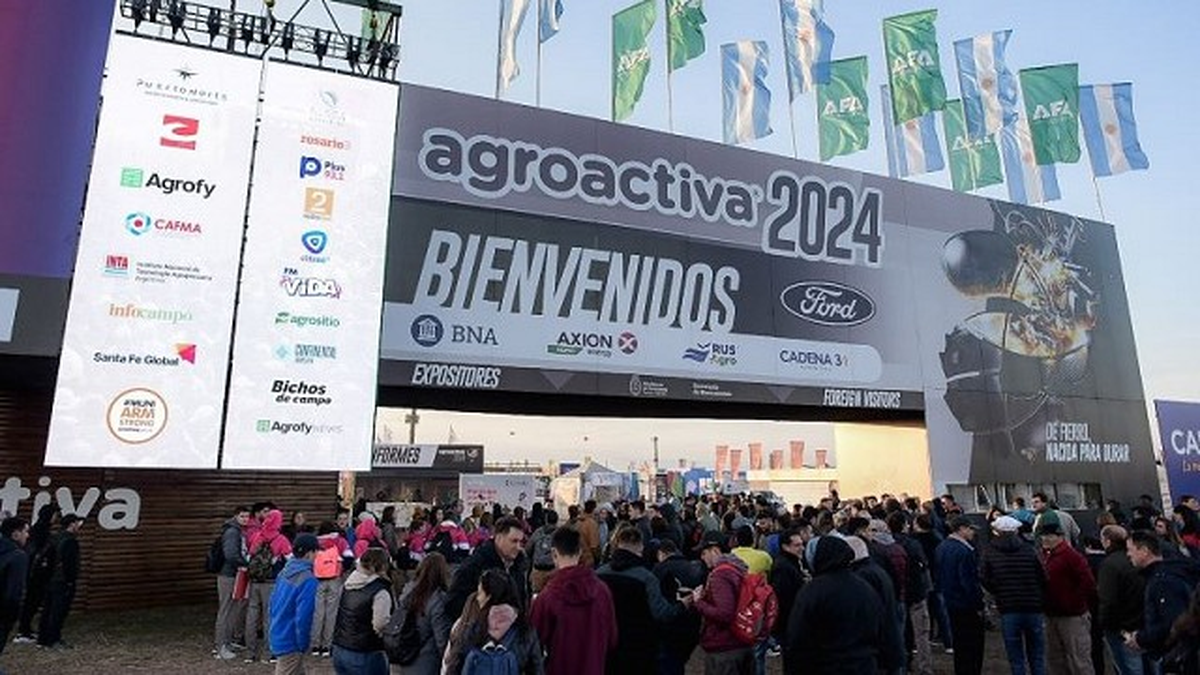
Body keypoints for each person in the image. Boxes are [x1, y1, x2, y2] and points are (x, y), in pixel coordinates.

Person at [783, 535, 884, 674]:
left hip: (827, 665)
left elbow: (798, 637)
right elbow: (879, 626)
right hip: (863, 665)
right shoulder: (865, 587)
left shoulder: (812, 591)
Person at [598, 525, 688, 675]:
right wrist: (682, 605)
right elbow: (661, 613)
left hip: (607, 646)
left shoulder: (599, 574)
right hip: (640, 648)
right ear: (640, 549)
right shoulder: (647, 578)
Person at [530, 526, 618, 675]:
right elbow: (612, 639)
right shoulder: (602, 591)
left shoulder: (548, 596)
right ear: (580, 552)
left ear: (554, 553)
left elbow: (532, 644)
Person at [441, 569, 543, 675]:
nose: (478, 598)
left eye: (480, 593)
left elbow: (453, 668)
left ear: (488, 597)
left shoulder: (471, 630)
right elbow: (536, 670)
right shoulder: (525, 632)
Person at [981, 516, 1047, 675]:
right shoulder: (1028, 549)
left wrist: (998, 591)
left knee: (1016, 657)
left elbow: (984, 577)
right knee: (1037, 656)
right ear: (1016, 530)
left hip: (1008, 607)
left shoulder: (989, 551)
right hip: (1033, 606)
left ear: (996, 531)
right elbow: (1042, 577)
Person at [1125, 530, 1200, 667]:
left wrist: (1141, 638)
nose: (1128, 554)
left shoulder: (1162, 582)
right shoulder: (1167, 573)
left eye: (1130, 549)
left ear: (1144, 551)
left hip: (1178, 656)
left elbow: (1173, 622)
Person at [1038, 522, 1097, 675]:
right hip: (1052, 614)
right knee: (1055, 658)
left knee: (1079, 659)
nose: (1045, 539)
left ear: (1060, 537)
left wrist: (1074, 602)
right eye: (1043, 536)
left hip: (1073, 616)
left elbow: (1088, 583)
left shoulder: (1072, 556)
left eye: (1049, 536)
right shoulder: (1044, 555)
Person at [444, 516, 530, 622]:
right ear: (499, 538)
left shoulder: (518, 564)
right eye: (514, 541)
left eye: (520, 542)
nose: (518, 547)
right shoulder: (476, 564)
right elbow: (453, 602)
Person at [693, 530, 754, 675]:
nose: (702, 557)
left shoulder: (720, 574)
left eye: (704, 553)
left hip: (724, 647)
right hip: (741, 642)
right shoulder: (737, 568)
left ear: (714, 550)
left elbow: (724, 614)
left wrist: (699, 602)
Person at [331, 548, 393, 675]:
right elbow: (380, 624)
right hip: (366, 651)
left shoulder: (348, 584)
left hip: (340, 647)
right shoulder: (380, 590)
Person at [936, 516, 986, 675]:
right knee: (973, 648)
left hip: (950, 602)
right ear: (961, 529)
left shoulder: (942, 547)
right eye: (970, 529)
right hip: (966, 605)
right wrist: (979, 605)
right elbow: (969, 582)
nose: (973, 532)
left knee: (960, 646)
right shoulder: (964, 551)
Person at [1096, 526, 1146, 675]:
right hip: (1142, 623)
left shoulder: (1110, 565)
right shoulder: (1136, 560)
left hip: (1121, 628)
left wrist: (1104, 623)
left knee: (1129, 667)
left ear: (1107, 541)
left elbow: (1108, 600)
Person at [246, 508, 293, 663]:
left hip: (254, 581)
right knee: (269, 617)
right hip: (271, 582)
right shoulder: (281, 539)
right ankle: (269, 653)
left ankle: (250, 653)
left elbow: (249, 557)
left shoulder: (257, 536)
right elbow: (291, 561)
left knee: (252, 616)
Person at [269, 533, 320, 675]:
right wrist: (303, 643)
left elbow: (272, 603)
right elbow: (303, 617)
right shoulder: (308, 580)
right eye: (317, 552)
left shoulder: (284, 572)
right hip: (291, 640)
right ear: (310, 553)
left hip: (278, 631)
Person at [393, 552, 452, 675]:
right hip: (426, 662)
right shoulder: (438, 599)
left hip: (402, 656)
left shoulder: (408, 590)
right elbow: (441, 639)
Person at [654, 539, 707, 675]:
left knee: (668, 663)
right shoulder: (693, 567)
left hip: (669, 625)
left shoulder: (659, 569)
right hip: (691, 625)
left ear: (662, 553)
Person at [36, 513, 82, 650]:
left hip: (50, 580)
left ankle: (42, 639)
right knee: (58, 611)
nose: (78, 526)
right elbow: (70, 564)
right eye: (77, 523)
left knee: (47, 610)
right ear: (72, 524)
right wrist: (70, 581)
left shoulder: (55, 537)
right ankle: (53, 639)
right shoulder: (70, 541)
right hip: (62, 581)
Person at [13, 504, 56, 645]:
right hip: (35, 574)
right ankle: (23, 631)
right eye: (54, 514)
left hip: (39, 573)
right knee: (30, 602)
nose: (56, 517)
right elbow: (34, 552)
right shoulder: (40, 530)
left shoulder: (43, 529)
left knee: (34, 603)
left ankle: (26, 629)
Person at [214, 505, 252, 660]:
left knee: (232, 609)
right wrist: (245, 563)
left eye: (247, 516)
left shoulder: (238, 531)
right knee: (225, 609)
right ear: (236, 516)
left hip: (234, 573)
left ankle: (227, 642)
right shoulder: (232, 532)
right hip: (228, 574)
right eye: (242, 516)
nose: (245, 519)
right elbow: (230, 554)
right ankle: (220, 646)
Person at [311, 520, 350, 658]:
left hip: (317, 579)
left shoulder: (315, 542)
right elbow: (349, 556)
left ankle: (315, 645)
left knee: (318, 612)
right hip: (334, 578)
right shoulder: (340, 541)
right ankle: (327, 646)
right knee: (331, 613)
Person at [0, 517, 29, 664]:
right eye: (25, 531)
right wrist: (11, 618)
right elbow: (14, 593)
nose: (27, 535)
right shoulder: (18, 557)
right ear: (15, 534)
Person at [526, 510, 559, 593]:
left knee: (536, 596)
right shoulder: (559, 533)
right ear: (557, 520)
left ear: (545, 519)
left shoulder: (538, 532)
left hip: (538, 570)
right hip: (553, 570)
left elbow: (528, 548)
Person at [576, 501, 602, 567]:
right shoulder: (591, 523)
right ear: (594, 509)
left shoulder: (578, 522)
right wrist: (598, 559)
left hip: (577, 558)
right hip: (588, 560)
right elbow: (594, 546)